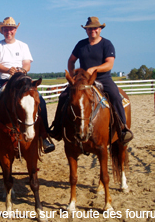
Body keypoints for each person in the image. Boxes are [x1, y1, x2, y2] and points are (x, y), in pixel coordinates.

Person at [0, 17, 55, 154]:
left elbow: (27, 63)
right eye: (5, 29)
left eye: (11, 28)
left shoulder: (23, 46)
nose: (8, 31)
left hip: (21, 81)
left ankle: (44, 136)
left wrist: (22, 70)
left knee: (41, 103)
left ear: (15, 30)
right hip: (1, 80)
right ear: (2, 30)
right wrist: (7, 70)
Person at [49, 16, 133, 145]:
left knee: (116, 96)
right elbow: (71, 60)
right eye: (89, 29)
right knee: (64, 96)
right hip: (83, 81)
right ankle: (57, 128)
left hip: (103, 78)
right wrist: (72, 75)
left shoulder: (107, 44)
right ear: (86, 31)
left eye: (95, 28)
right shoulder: (81, 44)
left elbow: (109, 64)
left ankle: (123, 128)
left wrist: (94, 69)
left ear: (100, 29)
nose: (92, 30)